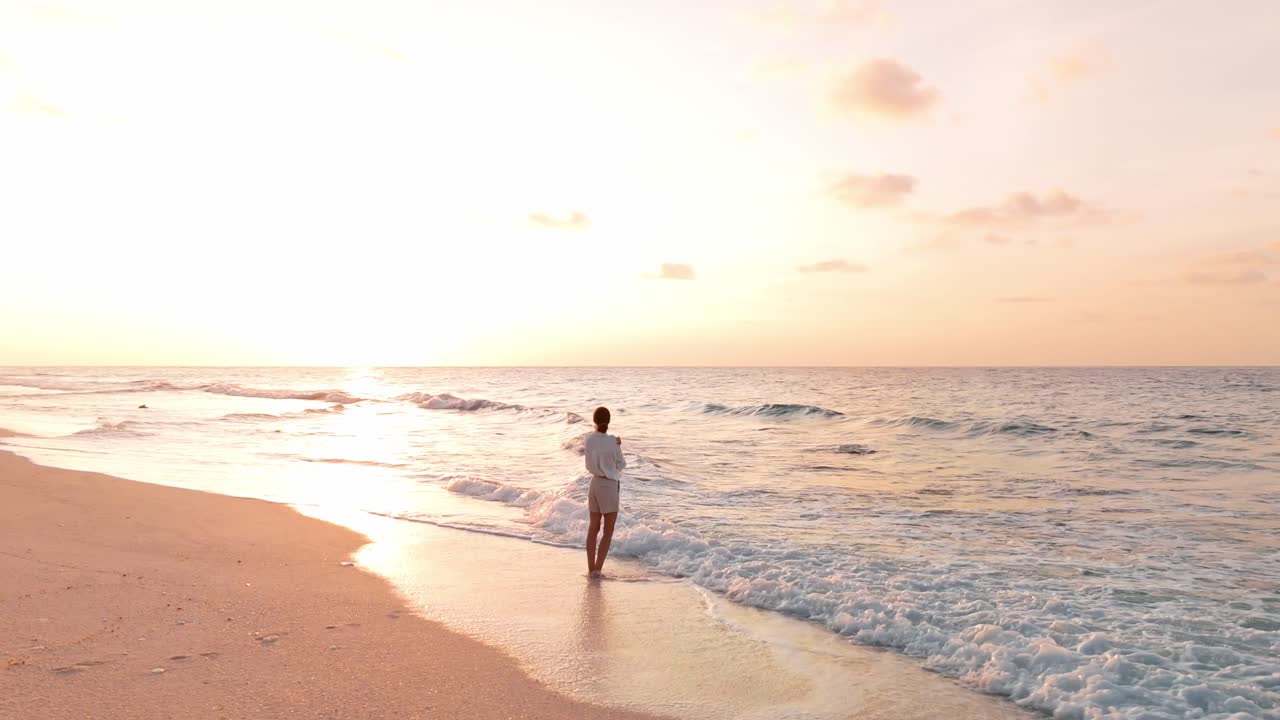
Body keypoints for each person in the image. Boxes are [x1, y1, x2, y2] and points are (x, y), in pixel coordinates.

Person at [584, 406, 626, 577]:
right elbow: (622, 464)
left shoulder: (588, 439)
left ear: (594, 420)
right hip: (608, 486)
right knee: (608, 532)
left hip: (594, 484)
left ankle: (590, 567)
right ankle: (597, 570)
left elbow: (589, 461)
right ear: (609, 421)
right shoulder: (613, 441)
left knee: (593, 528)